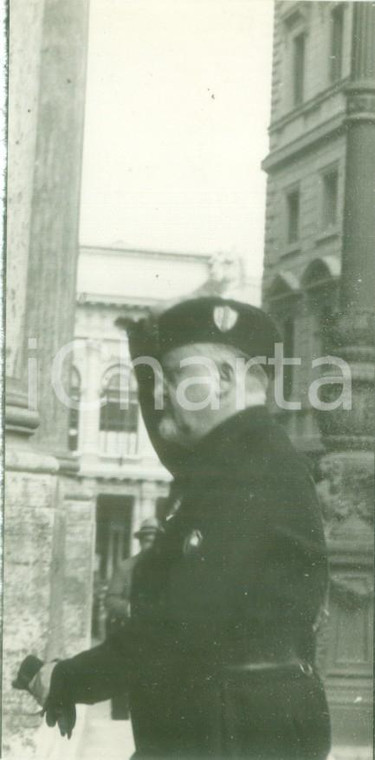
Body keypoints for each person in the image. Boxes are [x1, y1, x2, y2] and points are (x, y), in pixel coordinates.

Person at [15, 296, 331, 759]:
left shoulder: (249, 468)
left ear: (224, 379)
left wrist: (69, 678)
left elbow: (183, 623)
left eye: (179, 375)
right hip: (230, 723)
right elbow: (171, 437)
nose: (163, 394)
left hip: (230, 734)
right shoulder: (239, 459)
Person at [106, 518, 163, 719]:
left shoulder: (167, 570)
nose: (151, 544)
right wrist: (131, 608)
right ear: (140, 542)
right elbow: (111, 599)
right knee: (125, 672)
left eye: (155, 540)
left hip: (157, 634)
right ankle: (121, 712)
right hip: (130, 629)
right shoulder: (125, 567)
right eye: (147, 540)